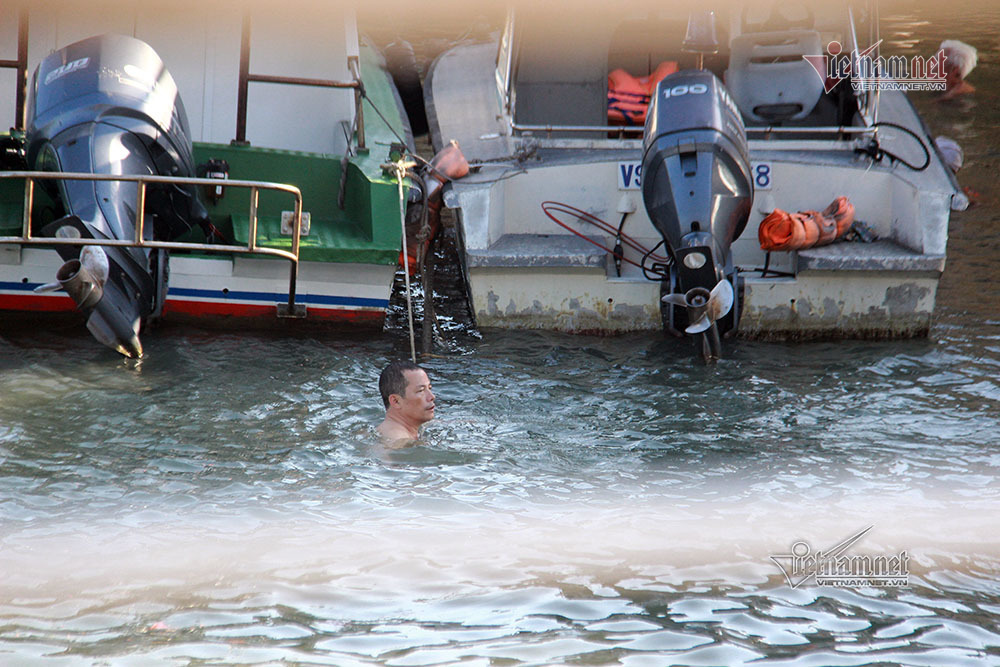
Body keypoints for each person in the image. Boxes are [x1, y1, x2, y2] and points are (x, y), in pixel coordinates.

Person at [376, 360, 435, 445]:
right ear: (396, 401)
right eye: (421, 391)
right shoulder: (397, 442)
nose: (432, 397)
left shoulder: (390, 431)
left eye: (429, 388)